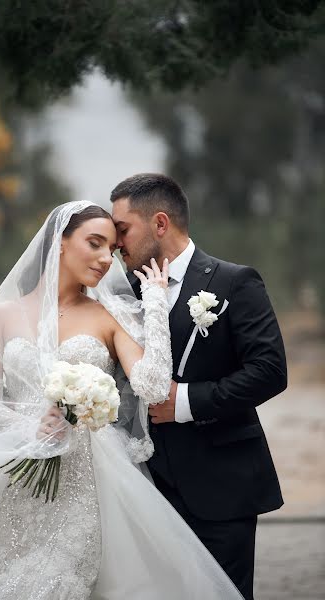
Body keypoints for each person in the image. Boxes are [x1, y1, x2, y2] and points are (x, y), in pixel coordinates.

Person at [0, 201, 243, 600]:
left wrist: (157, 302)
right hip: (13, 483)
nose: (104, 259)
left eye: (111, 250)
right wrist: (31, 427)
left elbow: (152, 386)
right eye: (94, 243)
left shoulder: (109, 316)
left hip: (84, 485)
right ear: (60, 241)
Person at [111, 174, 287, 600]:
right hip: (148, 490)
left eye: (122, 230)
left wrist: (186, 401)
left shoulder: (233, 282)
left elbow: (269, 370)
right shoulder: (122, 294)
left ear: (159, 224)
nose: (116, 243)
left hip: (222, 487)